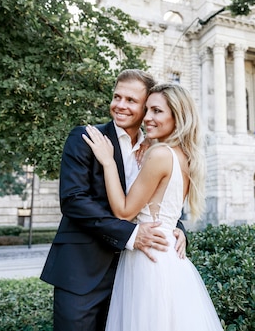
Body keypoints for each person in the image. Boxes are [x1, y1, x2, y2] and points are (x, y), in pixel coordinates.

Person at [40, 69, 187, 331]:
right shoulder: (86, 138)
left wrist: (177, 229)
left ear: (146, 107)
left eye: (131, 101)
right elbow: (73, 200)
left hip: (133, 276)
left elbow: (159, 199)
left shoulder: (154, 150)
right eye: (117, 96)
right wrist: (131, 234)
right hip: (82, 272)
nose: (120, 105)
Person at [83, 83, 223, 331]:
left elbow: (124, 212)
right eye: (147, 110)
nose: (147, 118)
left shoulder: (160, 155)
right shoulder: (183, 155)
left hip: (149, 258)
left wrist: (108, 162)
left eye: (157, 111)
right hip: (168, 253)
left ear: (177, 116)